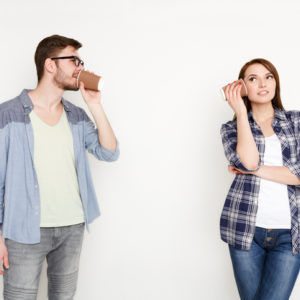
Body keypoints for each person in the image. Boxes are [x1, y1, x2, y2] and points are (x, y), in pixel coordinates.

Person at [0, 34, 119, 299]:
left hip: (72, 227)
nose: (80, 68)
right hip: (22, 230)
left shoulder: (76, 116)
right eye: (73, 60)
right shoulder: (7, 115)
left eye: (80, 60)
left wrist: (95, 106)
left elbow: (110, 153)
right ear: (50, 65)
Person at [220, 58, 300, 300]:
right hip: (245, 229)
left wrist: (252, 171)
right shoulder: (230, 128)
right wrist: (241, 112)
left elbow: (296, 177)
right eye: (253, 79)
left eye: (268, 77)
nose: (262, 83)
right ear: (242, 87)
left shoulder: (296, 121)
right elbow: (249, 160)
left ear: (276, 82)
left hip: (290, 234)